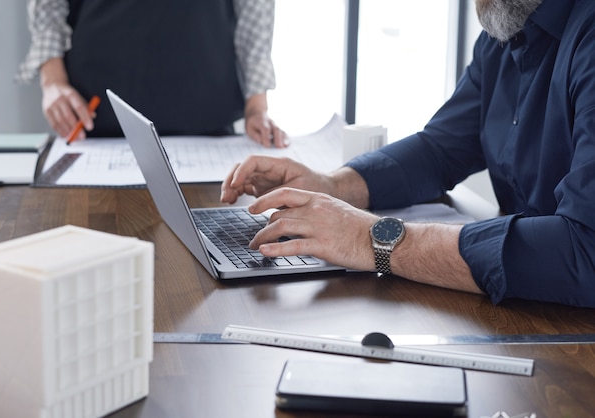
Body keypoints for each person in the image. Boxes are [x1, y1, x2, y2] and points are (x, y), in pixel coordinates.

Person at [220, 0, 595, 308]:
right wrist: (333, 185)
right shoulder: (505, 28)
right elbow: (441, 149)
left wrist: (374, 239)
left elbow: (585, 251)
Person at [16, 0, 287, 147]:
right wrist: (53, 81)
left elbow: (255, 10)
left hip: (207, 126)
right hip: (94, 118)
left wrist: (256, 106)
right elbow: (48, 5)